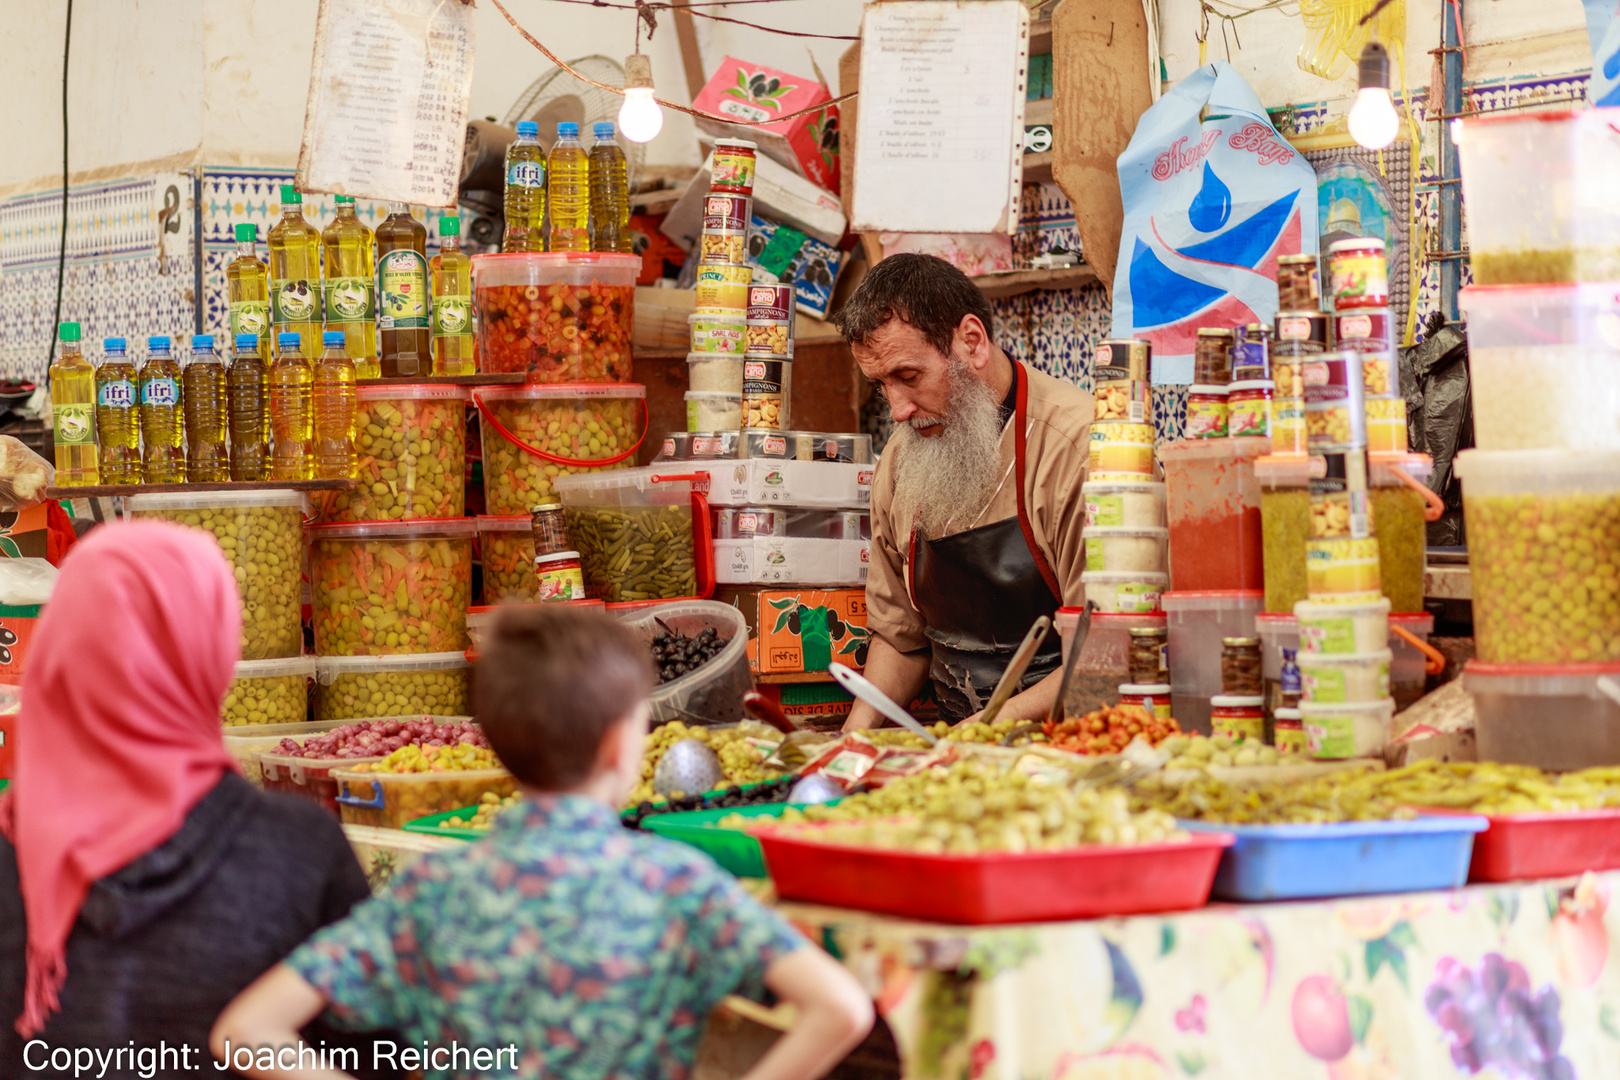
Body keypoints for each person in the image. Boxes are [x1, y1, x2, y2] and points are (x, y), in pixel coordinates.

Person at [212, 605, 873, 1080]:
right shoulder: (676, 884)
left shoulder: (430, 891)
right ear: (623, 745)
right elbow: (840, 1009)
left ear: (495, 743)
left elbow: (246, 1033)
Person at [0, 520, 382, 1073]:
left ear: (60, 649)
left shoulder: (10, 857)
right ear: (212, 653)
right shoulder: (300, 848)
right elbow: (374, 1053)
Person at [832, 253, 1094, 727]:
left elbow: (1105, 654)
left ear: (971, 342)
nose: (898, 410)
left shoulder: (1077, 448)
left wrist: (986, 730)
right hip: (956, 745)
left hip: (1071, 744)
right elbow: (901, 640)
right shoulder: (900, 460)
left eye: (909, 377)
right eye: (880, 385)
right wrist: (853, 741)